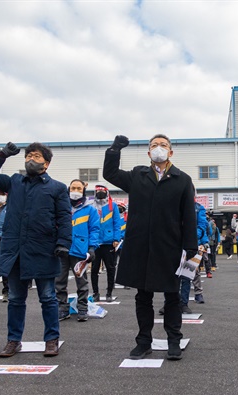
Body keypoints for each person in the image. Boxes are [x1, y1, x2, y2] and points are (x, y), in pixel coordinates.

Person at [103, 134, 198, 361]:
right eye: (154, 145)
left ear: (171, 152)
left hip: (170, 247)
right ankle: (143, 341)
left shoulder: (182, 179)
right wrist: (114, 150)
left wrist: (190, 248)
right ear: (148, 153)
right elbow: (110, 174)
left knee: (172, 296)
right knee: (142, 296)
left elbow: (188, 217)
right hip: (140, 246)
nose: (158, 149)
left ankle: (174, 340)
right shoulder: (138, 175)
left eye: (163, 145)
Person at [0, 142, 72, 358]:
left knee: (48, 298)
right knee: (15, 299)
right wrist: (2, 155)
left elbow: (64, 218)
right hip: (15, 250)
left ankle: (51, 339)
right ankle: (14, 340)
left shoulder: (57, 188)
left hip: (44, 250)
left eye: (37, 156)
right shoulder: (14, 182)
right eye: (28, 155)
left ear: (46, 164)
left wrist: (63, 243)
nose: (31, 158)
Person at [56, 180, 100, 322]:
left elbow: (94, 230)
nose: (75, 190)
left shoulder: (90, 209)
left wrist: (92, 247)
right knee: (59, 281)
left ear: (83, 191)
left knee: (82, 282)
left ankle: (82, 308)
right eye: (73, 188)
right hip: (62, 249)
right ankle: (62, 309)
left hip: (80, 250)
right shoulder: (61, 207)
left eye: (78, 188)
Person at [90, 185, 121, 303]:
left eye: (103, 191)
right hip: (95, 242)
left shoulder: (112, 206)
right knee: (94, 269)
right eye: (98, 191)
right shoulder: (92, 206)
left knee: (110, 268)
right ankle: (95, 293)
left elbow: (117, 224)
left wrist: (116, 239)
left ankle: (109, 292)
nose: (100, 193)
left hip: (109, 242)